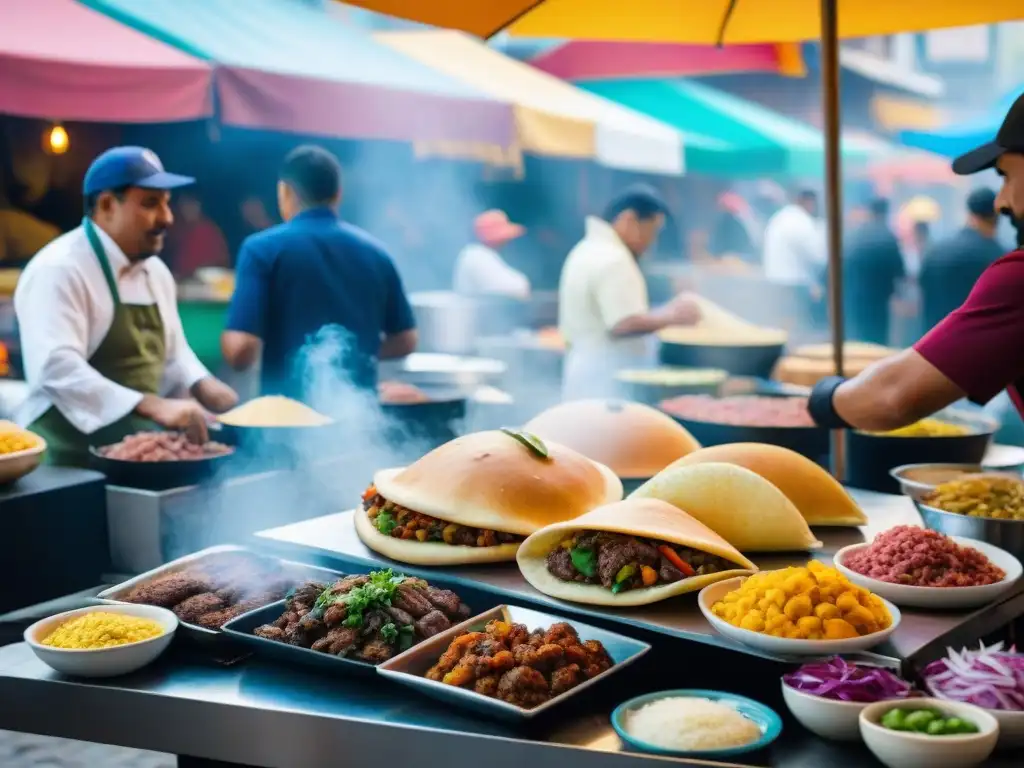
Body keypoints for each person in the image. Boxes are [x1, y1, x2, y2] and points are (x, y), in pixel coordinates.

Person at [808, 92, 1024, 433]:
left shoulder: (1018, 277)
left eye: (1007, 176)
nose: (1001, 202)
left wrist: (821, 398)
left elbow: (892, 398)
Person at [13, 146, 238, 466]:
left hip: (136, 456)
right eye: (150, 204)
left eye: (167, 203)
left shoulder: (156, 272)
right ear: (106, 205)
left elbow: (174, 352)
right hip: (68, 462)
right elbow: (57, 367)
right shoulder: (60, 269)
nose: (167, 218)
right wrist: (153, 405)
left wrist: (201, 383)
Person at [222, 145, 417, 401]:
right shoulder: (377, 253)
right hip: (358, 414)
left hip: (285, 419)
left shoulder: (261, 249)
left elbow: (239, 353)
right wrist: (354, 354)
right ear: (338, 194)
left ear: (285, 191)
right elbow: (406, 339)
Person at [558, 185, 701, 400]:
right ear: (628, 220)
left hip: (583, 373)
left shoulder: (586, 249)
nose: (652, 241)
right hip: (607, 381)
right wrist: (673, 315)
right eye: (652, 231)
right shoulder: (613, 258)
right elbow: (623, 323)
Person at [918, 188, 1005, 332]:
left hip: (931, 344)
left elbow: (922, 291)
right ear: (997, 215)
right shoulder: (1000, 258)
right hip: (974, 347)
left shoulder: (937, 250)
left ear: (969, 212)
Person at [843, 198, 905, 345]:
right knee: (877, 339)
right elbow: (899, 270)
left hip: (854, 296)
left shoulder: (856, 234)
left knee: (856, 338)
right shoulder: (888, 237)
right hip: (879, 298)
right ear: (886, 213)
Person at [453, 209, 530, 299]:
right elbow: (514, 289)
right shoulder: (476, 255)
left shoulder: (482, 254)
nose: (509, 241)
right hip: (478, 313)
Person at [762, 189, 825, 288]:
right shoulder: (801, 221)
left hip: (773, 281)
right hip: (795, 284)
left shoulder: (780, 217)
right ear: (810, 202)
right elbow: (820, 256)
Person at [166, 193, 231, 278]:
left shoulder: (208, 230)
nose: (187, 209)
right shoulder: (178, 229)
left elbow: (221, 263)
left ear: (199, 206)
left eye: (192, 204)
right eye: (184, 205)